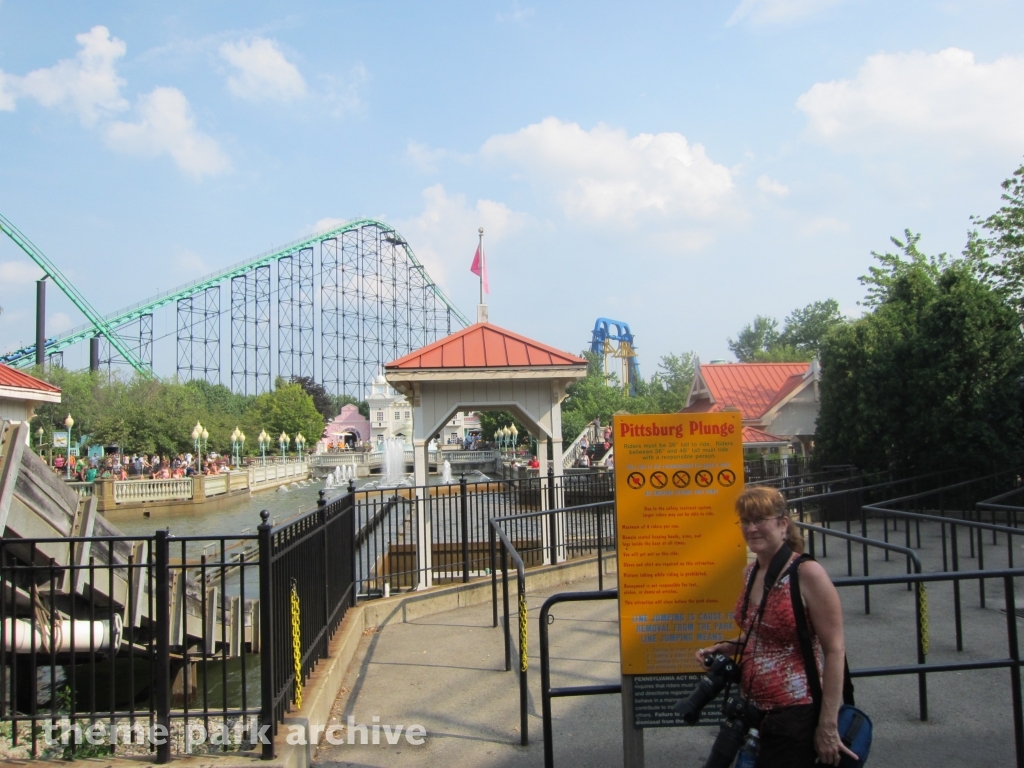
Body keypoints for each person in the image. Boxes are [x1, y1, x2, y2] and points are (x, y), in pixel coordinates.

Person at [695, 487, 857, 768]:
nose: (751, 528)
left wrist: (827, 726)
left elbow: (834, 649)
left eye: (760, 519)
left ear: (783, 524)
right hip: (751, 711)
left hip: (795, 713)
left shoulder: (807, 574)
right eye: (745, 521)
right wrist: (729, 646)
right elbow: (762, 632)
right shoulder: (750, 573)